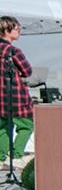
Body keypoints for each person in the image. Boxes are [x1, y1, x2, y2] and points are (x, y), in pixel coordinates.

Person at [0, 16, 34, 162]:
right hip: (16, 96)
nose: (19, 31)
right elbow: (27, 71)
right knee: (26, 126)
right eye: (16, 28)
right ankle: (16, 154)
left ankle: (1, 157)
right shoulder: (13, 51)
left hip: (0, 98)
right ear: (6, 30)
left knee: (2, 128)